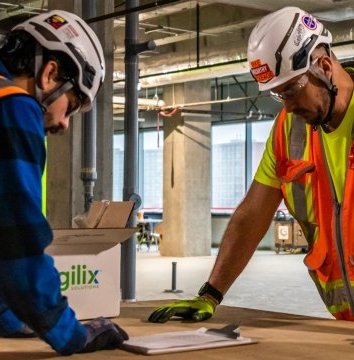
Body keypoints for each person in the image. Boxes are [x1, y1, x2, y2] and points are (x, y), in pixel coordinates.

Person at [148, 6, 354, 323]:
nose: (287, 105)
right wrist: (210, 294)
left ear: (324, 66)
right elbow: (252, 215)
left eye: (290, 89)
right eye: (277, 94)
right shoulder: (289, 130)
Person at [0, 10, 128, 355]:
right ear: (50, 73)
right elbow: (15, 239)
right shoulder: (11, 105)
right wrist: (69, 333)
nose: (65, 124)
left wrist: (6, 318)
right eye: (71, 106)